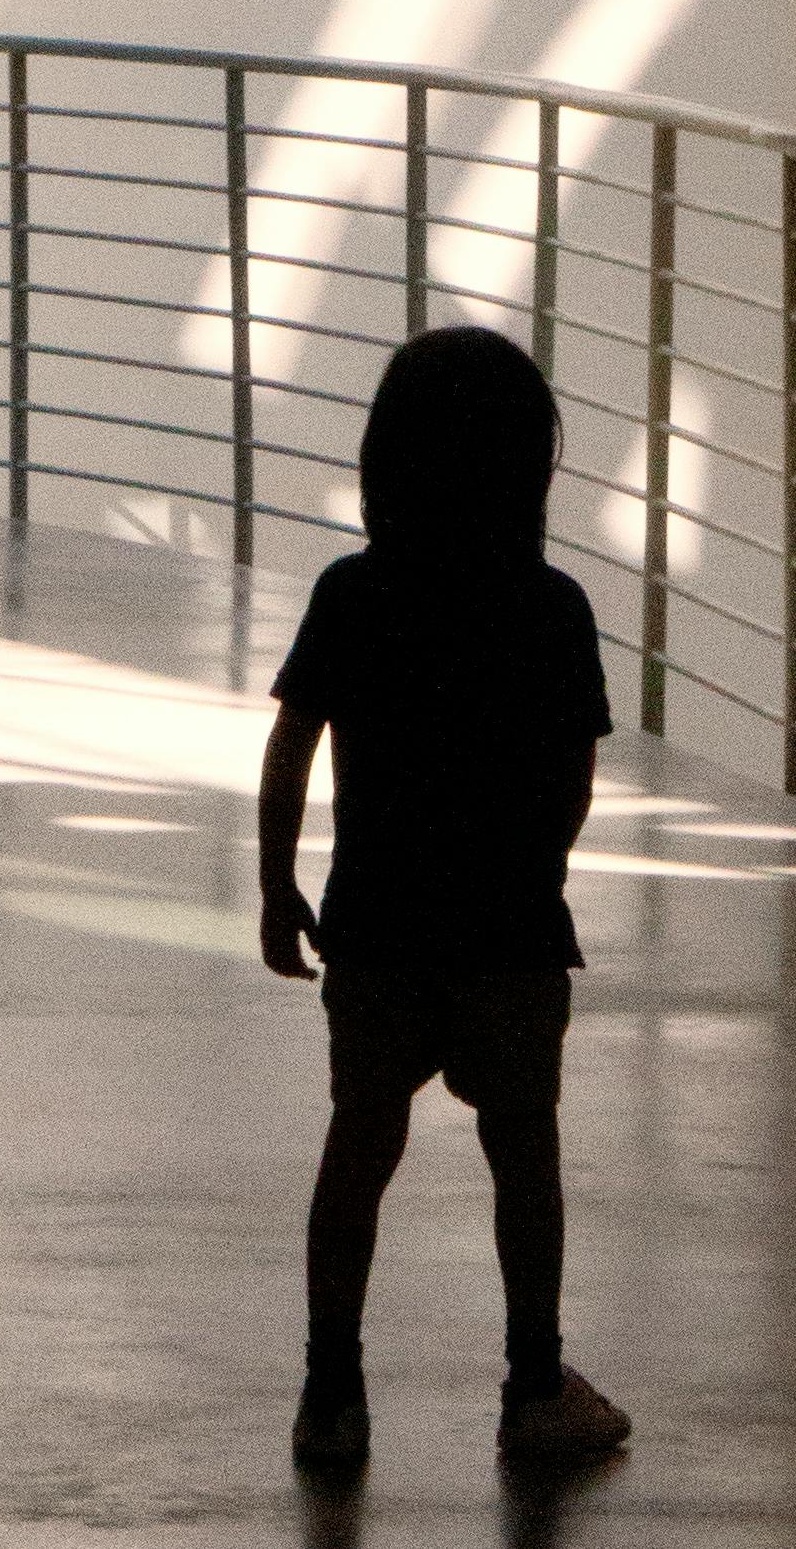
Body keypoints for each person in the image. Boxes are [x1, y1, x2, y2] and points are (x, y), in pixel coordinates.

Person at [259, 324, 632, 1471]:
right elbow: (569, 778)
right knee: (523, 1153)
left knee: (358, 1146)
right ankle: (532, 1382)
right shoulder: (552, 605)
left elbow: (291, 748)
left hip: (374, 924)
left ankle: (332, 1390)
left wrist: (279, 888)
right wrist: (538, 869)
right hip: (511, 930)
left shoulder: (353, 593)